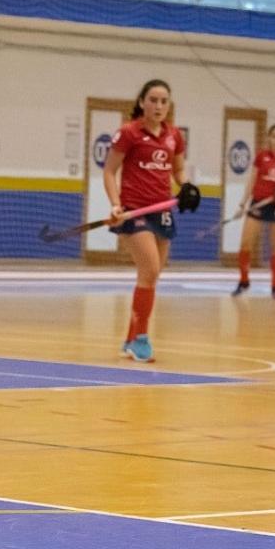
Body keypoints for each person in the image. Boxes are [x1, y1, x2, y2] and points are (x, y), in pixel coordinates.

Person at [103, 79, 200, 363]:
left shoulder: (174, 136)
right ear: (142, 101)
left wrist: (187, 187)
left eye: (164, 101)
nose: (158, 106)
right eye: (153, 100)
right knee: (151, 269)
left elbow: (178, 170)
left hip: (163, 210)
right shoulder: (129, 133)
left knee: (151, 277)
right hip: (135, 211)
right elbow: (110, 172)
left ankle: (131, 337)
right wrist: (116, 204)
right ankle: (141, 340)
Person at [232, 124, 275, 299]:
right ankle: (244, 281)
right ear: (268, 138)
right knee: (245, 243)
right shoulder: (261, 156)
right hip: (258, 204)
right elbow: (251, 180)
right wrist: (242, 204)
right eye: (274, 136)